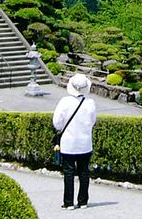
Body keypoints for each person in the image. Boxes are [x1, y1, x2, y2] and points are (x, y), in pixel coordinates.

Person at [52, 73, 97, 210]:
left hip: (69, 143)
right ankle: (83, 201)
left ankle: (68, 202)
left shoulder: (65, 101)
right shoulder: (90, 103)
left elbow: (57, 122)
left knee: (69, 172)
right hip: (85, 143)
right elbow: (92, 122)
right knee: (84, 172)